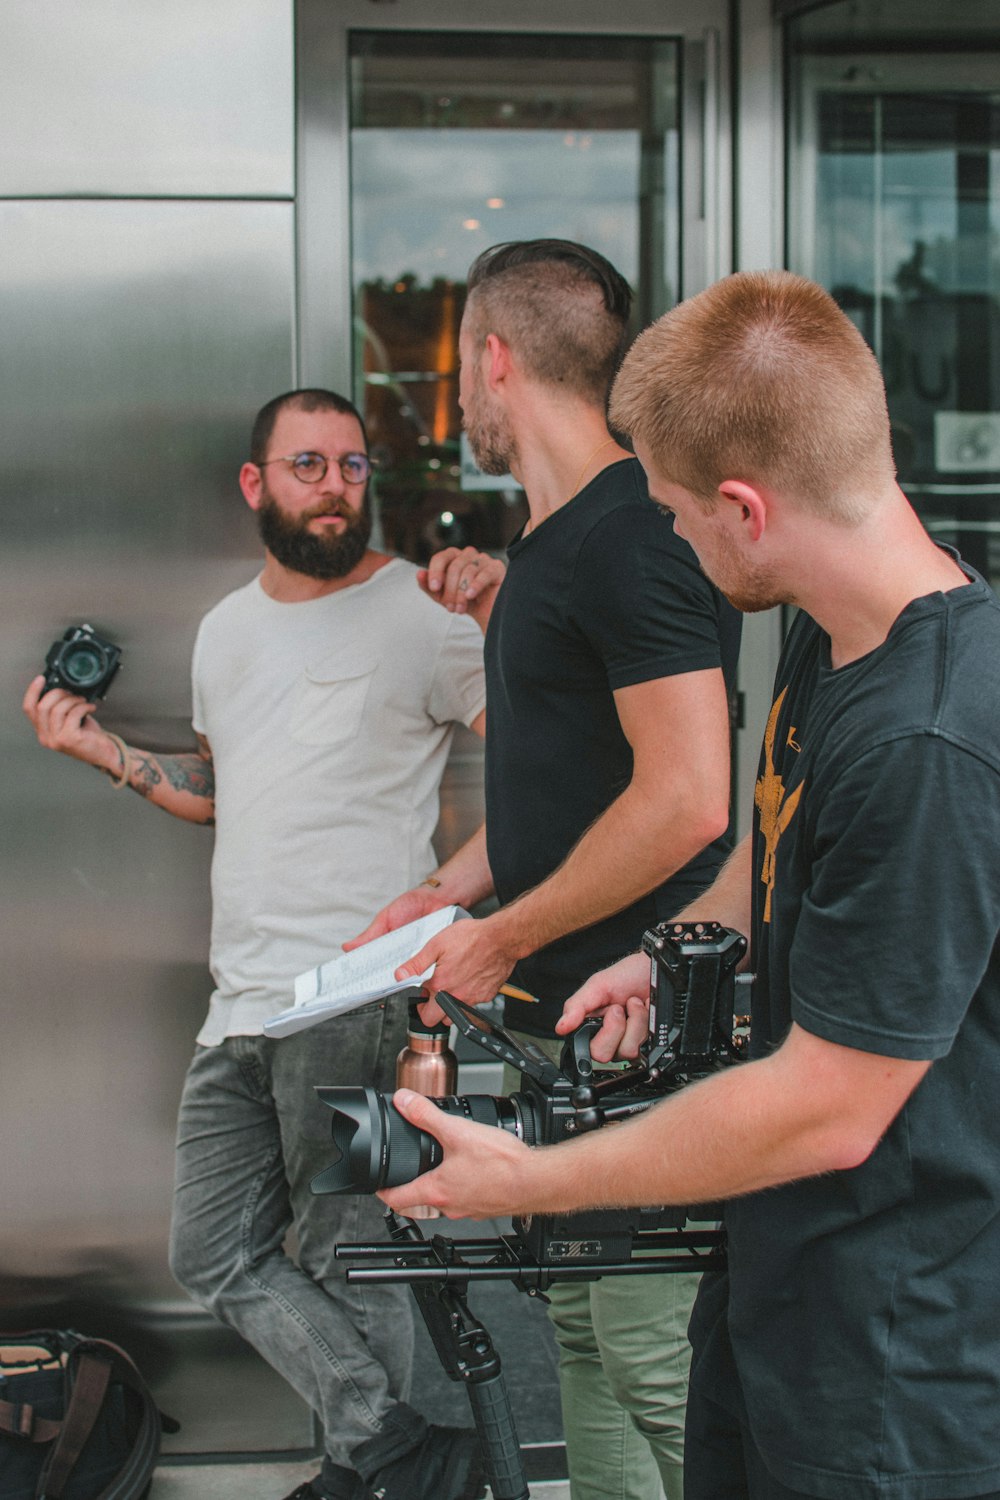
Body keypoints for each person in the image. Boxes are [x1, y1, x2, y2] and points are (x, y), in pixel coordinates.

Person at [376, 269, 1000, 1500]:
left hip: (896, 1368)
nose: (662, 537)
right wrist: (667, 952)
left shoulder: (930, 745)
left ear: (744, 508)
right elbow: (775, 837)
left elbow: (831, 1108)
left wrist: (535, 1179)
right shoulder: (839, 634)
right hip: (787, 1289)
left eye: (669, 511)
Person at [22, 388, 489, 1500]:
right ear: (255, 484)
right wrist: (104, 756)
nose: (334, 487)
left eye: (351, 467)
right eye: (307, 466)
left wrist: (445, 898)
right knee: (212, 1251)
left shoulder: (423, 617)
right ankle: (397, 1453)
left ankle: (363, 1467)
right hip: (238, 1005)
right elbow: (225, 791)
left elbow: (537, 759)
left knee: (351, 1253)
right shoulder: (228, 631)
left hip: (355, 992)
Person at [348, 240, 742, 1500]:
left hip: (643, 1028)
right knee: (580, 1339)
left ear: (491, 362)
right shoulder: (553, 546)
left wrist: (506, 933)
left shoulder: (631, 539)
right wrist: (454, 890)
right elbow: (572, 776)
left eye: (459, 360)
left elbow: (686, 801)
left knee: (653, 1364)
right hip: (561, 1028)